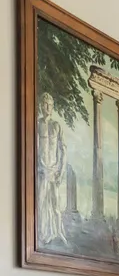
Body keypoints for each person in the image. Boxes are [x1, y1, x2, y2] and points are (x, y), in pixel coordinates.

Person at [37, 92, 68, 246]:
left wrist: (61, 173)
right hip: (42, 171)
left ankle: (58, 232)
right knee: (41, 202)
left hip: (54, 172)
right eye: (44, 104)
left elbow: (63, 151)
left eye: (49, 104)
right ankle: (42, 234)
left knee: (56, 205)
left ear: (53, 106)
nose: (47, 107)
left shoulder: (57, 126)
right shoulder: (37, 125)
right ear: (40, 106)